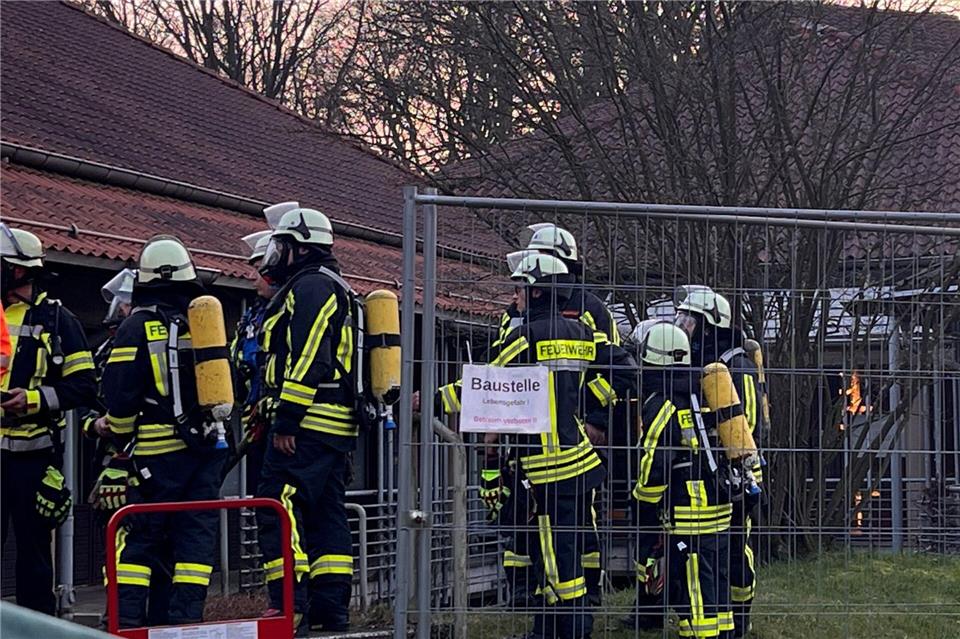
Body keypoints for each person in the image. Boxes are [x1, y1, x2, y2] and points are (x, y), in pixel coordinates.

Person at [441, 252, 619, 639]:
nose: (516, 297)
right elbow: (620, 371)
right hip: (577, 460)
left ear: (538, 292)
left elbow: (482, 385)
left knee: (554, 557)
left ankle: (567, 631)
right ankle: (555, 628)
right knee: (562, 550)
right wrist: (592, 407)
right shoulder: (582, 334)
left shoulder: (526, 337)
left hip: (545, 466)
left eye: (521, 288)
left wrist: (428, 400)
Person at [97, 235, 226, 627]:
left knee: (142, 539)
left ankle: (128, 625)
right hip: (205, 453)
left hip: (155, 457)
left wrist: (117, 437)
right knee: (194, 542)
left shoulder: (135, 327)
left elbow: (119, 396)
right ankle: (185, 624)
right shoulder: (203, 323)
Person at [498, 224, 622, 604]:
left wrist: (596, 419)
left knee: (576, 516)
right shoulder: (515, 314)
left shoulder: (592, 310)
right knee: (524, 512)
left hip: (574, 434)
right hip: (525, 435)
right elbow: (503, 367)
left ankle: (583, 592)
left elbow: (612, 371)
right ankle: (530, 591)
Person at [255, 206, 358, 634]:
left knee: (276, 503)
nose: (274, 254)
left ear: (298, 249)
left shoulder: (313, 286)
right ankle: (329, 610)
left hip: (309, 423)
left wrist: (286, 422)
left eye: (280, 245)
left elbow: (310, 357)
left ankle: (289, 603)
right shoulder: (327, 285)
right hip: (331, 425)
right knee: (325, 513)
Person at [0, 223, 97, 615]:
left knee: (34, 554)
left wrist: (35, 400)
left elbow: (84, 387)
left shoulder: (60, 322)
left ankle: (35, 628)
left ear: (18, 270)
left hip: (34, 458)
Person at [631, 321, 735, 638]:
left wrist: (642, 504)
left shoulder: (661, 404)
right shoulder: (700, 394)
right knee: (715, 585)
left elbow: (654, 462)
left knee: (691, 591)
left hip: (689, 513)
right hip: (719, 507)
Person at [674, 285, 761, 638]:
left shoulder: (735, 366)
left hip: (740, 476)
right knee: (718, 554)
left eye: (688, 320)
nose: (682, 327)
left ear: (710, 326)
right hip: (716, 474)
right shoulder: (705, 365)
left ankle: (740, 619)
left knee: (736, 553)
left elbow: (749, 424)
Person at [226, 229, 276, 491]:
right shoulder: (253, 315)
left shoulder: (283, 312)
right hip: (254, 421)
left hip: (278, 426)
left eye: (259, 269)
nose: (253, 278)